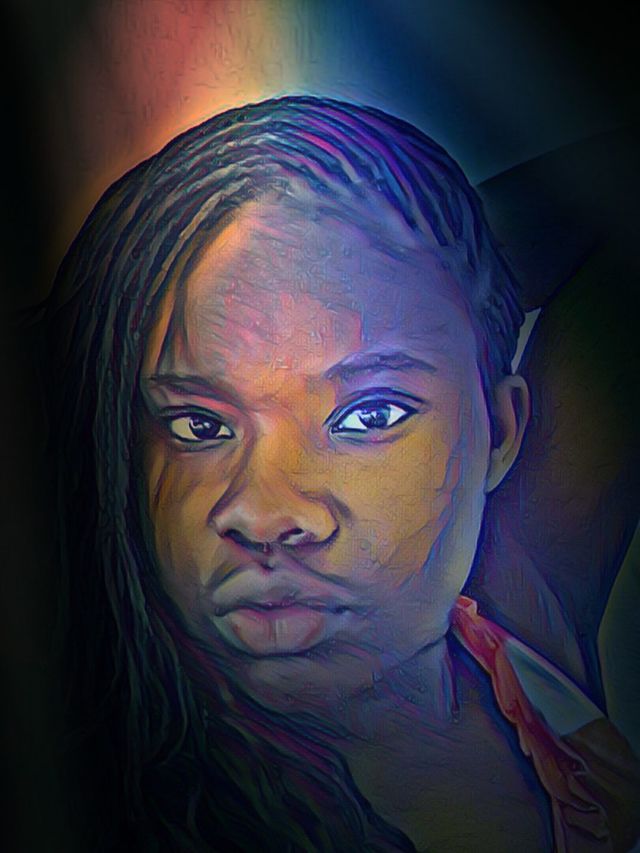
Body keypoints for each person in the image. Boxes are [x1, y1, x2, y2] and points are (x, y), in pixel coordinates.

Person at [40, 96, 639, 851]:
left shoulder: (521, 616)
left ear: (502, 432)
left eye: (369, 414)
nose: (266, 513)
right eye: (201, 426)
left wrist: (422, 248)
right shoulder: (89, 782)